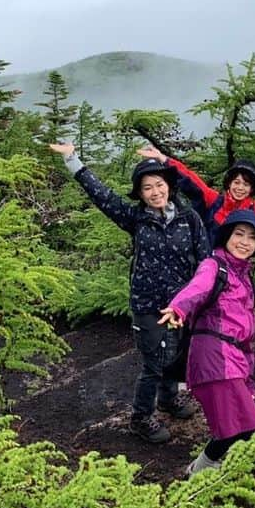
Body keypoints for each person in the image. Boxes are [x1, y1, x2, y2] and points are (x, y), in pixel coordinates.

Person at [49, 141, 208, 444]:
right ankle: (140, 417)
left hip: (181, 304)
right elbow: (102, 196)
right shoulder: (136, 219)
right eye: (147, 188)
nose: (155, 192)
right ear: (140, 193)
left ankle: (168, 399)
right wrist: (73, 159)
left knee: (176, 354)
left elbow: (205, 261)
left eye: (159, 185)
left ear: (168, 186)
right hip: (147, 304)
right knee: (154, 362)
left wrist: (200, 297)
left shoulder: (190, 219)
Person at [159, 209, 255, 508]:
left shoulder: (242, 274)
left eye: (252, 237)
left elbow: (245, 333)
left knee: (231, 427)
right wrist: (179, 306)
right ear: (226, 236)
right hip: (214, 360)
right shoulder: (215, 265)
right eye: (239, 234)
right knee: (251, 430)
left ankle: (198, 475)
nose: (246, 242)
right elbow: (198, 287)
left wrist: (248, 378)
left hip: (232, 360)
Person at [135, 146, 255, 243]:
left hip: (236, 273)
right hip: (206, 268)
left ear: (252, 189)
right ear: (229, 184)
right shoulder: (214, 201)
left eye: (246, 184)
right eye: (236, 182)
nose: (240, 188)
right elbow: (191, 179)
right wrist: (164, 159)